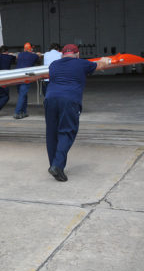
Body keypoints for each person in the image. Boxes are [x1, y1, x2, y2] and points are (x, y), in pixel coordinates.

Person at [45, 44, 111, 182]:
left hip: (50, 99)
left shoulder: (53, 65)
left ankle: (55, 166)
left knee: (52, 133)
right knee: (67, 132)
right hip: (69, 100)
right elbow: (101, 65)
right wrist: (105, 59)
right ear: (78, 54)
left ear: (62, 54)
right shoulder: (81, 63)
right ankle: (57, 166)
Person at [14, 42, 41, 119]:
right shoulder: (34, 55)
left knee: (23, 95)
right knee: (22, 95)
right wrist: (38, 55)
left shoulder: (20, 55)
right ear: (31, 48)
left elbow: (17, 60)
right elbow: (38, 62)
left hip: (17, 77)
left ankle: (24, 111)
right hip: (25, 78)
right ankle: (17, 112)